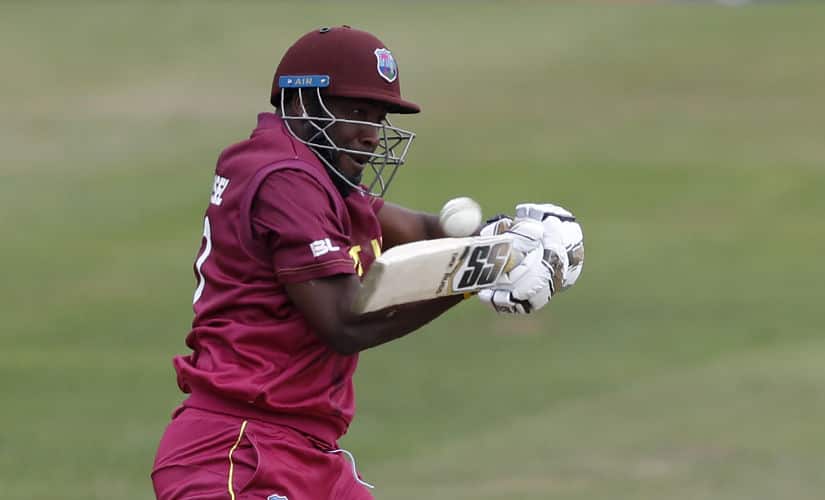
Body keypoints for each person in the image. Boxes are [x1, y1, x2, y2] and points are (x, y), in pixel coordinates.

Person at [151, 26, 581, 500]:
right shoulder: (285, 177)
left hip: (301, 451)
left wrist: (509, 239)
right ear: (300, 105)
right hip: (238, 453)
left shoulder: (309, 174)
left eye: (377, 118)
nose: (371, 136)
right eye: (357, 112)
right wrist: (475, 276)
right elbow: (344, 321)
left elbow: (417, 231)